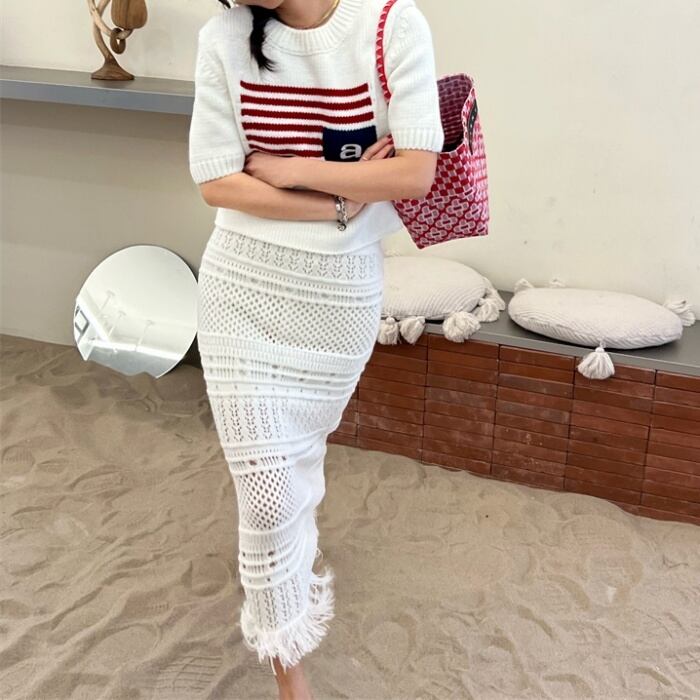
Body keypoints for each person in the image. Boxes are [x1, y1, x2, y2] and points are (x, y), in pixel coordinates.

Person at [189, 0, 443, 696]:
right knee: (268, 493)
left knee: (296, 462)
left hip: (336, 300)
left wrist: (293, 168)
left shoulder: (391, 24)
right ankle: (291, 676)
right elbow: (217, 181)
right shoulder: (223, 38)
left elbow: (414, 173)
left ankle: (290, 563)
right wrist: (339, 200)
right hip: (240, 287)